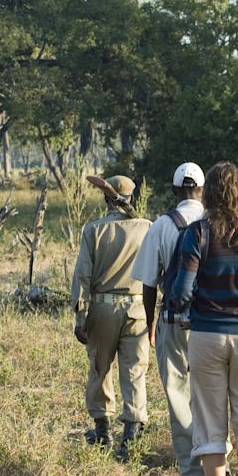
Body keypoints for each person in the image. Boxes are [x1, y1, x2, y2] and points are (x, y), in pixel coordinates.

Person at [170, 161, 238, 476]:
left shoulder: (197, 232)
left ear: (208, 193)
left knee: (210, 427)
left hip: (207, 335)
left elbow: (182, 290)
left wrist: (180, 302)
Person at [130, 162, 206, 476]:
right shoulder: (216, 221)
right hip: (213, 322)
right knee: (214, 395)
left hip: (173, 321)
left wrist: (150, 325)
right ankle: (219, 461)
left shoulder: (161, 225)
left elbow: (148, 283)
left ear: (175, 190)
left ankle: (192, 469)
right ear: (202, 189)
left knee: (179, 395)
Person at [71, 175, 152, 460]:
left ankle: (102, 430)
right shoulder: (147, 229)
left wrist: (80, 317)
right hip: (139, 308)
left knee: (100, 367)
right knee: (135, 370)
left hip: (102, 308)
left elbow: (82, 275)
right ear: (133, 197)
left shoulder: (93, 230)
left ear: (107, 198)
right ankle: (132, 430)